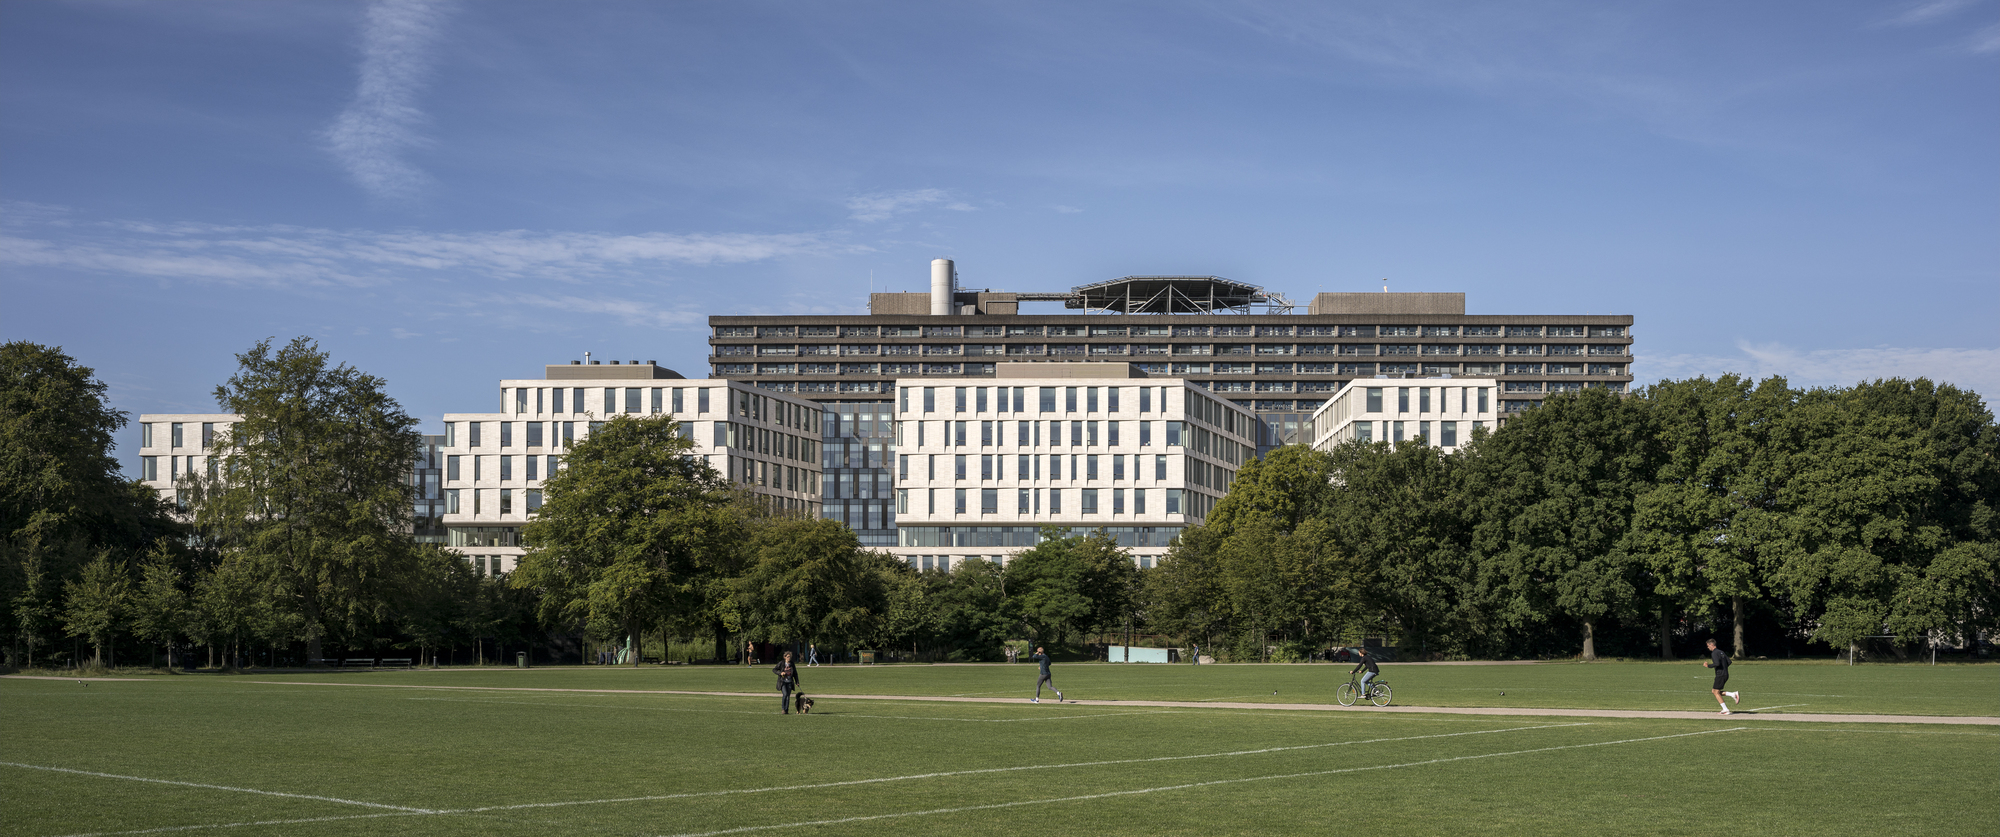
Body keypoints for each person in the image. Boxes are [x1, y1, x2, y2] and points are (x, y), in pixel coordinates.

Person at [1705, 638, 1741, 715]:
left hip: (1720, 674)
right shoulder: (1721, 652)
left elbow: (1717, 663)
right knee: (1714, 691)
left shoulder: (1714, 653)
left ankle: (1726, 709)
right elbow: (1729, 661)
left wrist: (1708, 666)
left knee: (1715, 692)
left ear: (1712, 644)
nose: (1708, 647)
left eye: (1708, 646)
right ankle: (1733, 694)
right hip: (1725, 674)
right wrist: (1724, 668)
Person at [773, 650, 800, 715]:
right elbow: (774, 670)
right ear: (784, 657)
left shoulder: (792, 664)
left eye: (790, 657)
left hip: (790, 682)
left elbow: (795, 673)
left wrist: (797, 682)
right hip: (783, 682)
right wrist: (780, 673)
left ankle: (786, 709)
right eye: (787, 657)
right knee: (785, 694)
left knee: (788, 696)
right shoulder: (781, 663)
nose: (789, 658)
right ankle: (783, 709)